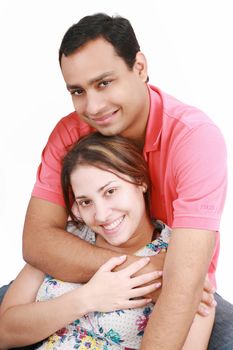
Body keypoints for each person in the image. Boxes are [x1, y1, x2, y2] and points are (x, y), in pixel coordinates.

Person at [0, 12, 231, 349]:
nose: (92, 106)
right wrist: (137, 273)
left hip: (175, 288)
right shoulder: (70, 134)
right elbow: (37, 243)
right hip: (105, 276)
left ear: (139, 67)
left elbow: (184, 282)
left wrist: (163, 277)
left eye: (104, 83)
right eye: (77, 91)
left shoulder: (194, 139)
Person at [0, 133, 215, 350]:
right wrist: (88, 298)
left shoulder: (178, 257)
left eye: (110, 192)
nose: (101, 215)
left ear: (140, 181)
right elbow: (4, 332)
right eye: (86, 202)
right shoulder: (65, 240)